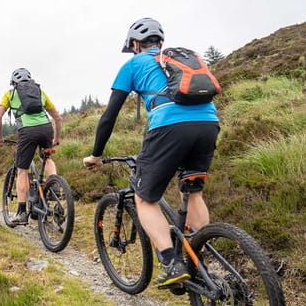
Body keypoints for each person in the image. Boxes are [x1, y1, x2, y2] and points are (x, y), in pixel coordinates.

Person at [82, 18, 220, 287]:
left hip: (169, 127)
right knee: (193, 192)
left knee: (144, 199)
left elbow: (109, 116)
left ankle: (171, 263)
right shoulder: (178, 61)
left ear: (135, 44)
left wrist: (96, 155)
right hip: (208, 124)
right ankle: (200, 261)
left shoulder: (134, 64)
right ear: (160, 42)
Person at [0, 68, 62, 224]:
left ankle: (22, 213)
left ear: (13, 83)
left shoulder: (9, 94)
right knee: (47, 158)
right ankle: (54, 187)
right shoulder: (40, 92)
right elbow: (57, 117)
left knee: (22, 170)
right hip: (46, 129)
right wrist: (56, 138)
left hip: (27, 132)